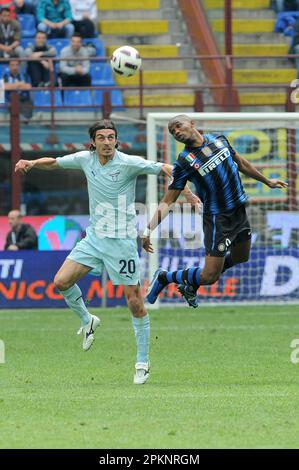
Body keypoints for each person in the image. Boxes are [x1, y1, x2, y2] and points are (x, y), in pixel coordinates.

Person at [15, 119, 199, 384]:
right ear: (93, 142)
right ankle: (88, 320)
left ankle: (142, 362)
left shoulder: (127, 162)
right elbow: (54, 161)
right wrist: (31, 164)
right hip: (93, 239)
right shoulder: (84, 159)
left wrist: (188, 195)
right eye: (101, 137)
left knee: (135, 303)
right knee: (61, 281)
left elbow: (168, 168)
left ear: (116, 140)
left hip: (121, 242)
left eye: (111, 137)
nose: (106, 142)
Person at [143, 114, 288, 308]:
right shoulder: (184, 162)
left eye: (178, 126)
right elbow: (168, 200)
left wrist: (267, 181)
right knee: (209, 276)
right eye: (172, 131)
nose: (176, 132)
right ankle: (164, 277)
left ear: (192, 124)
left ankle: (190, 286)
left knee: (241, 257)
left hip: (239, 211)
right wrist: (147, 230)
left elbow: (242, 163)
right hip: (218, 219)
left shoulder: (219, 139)